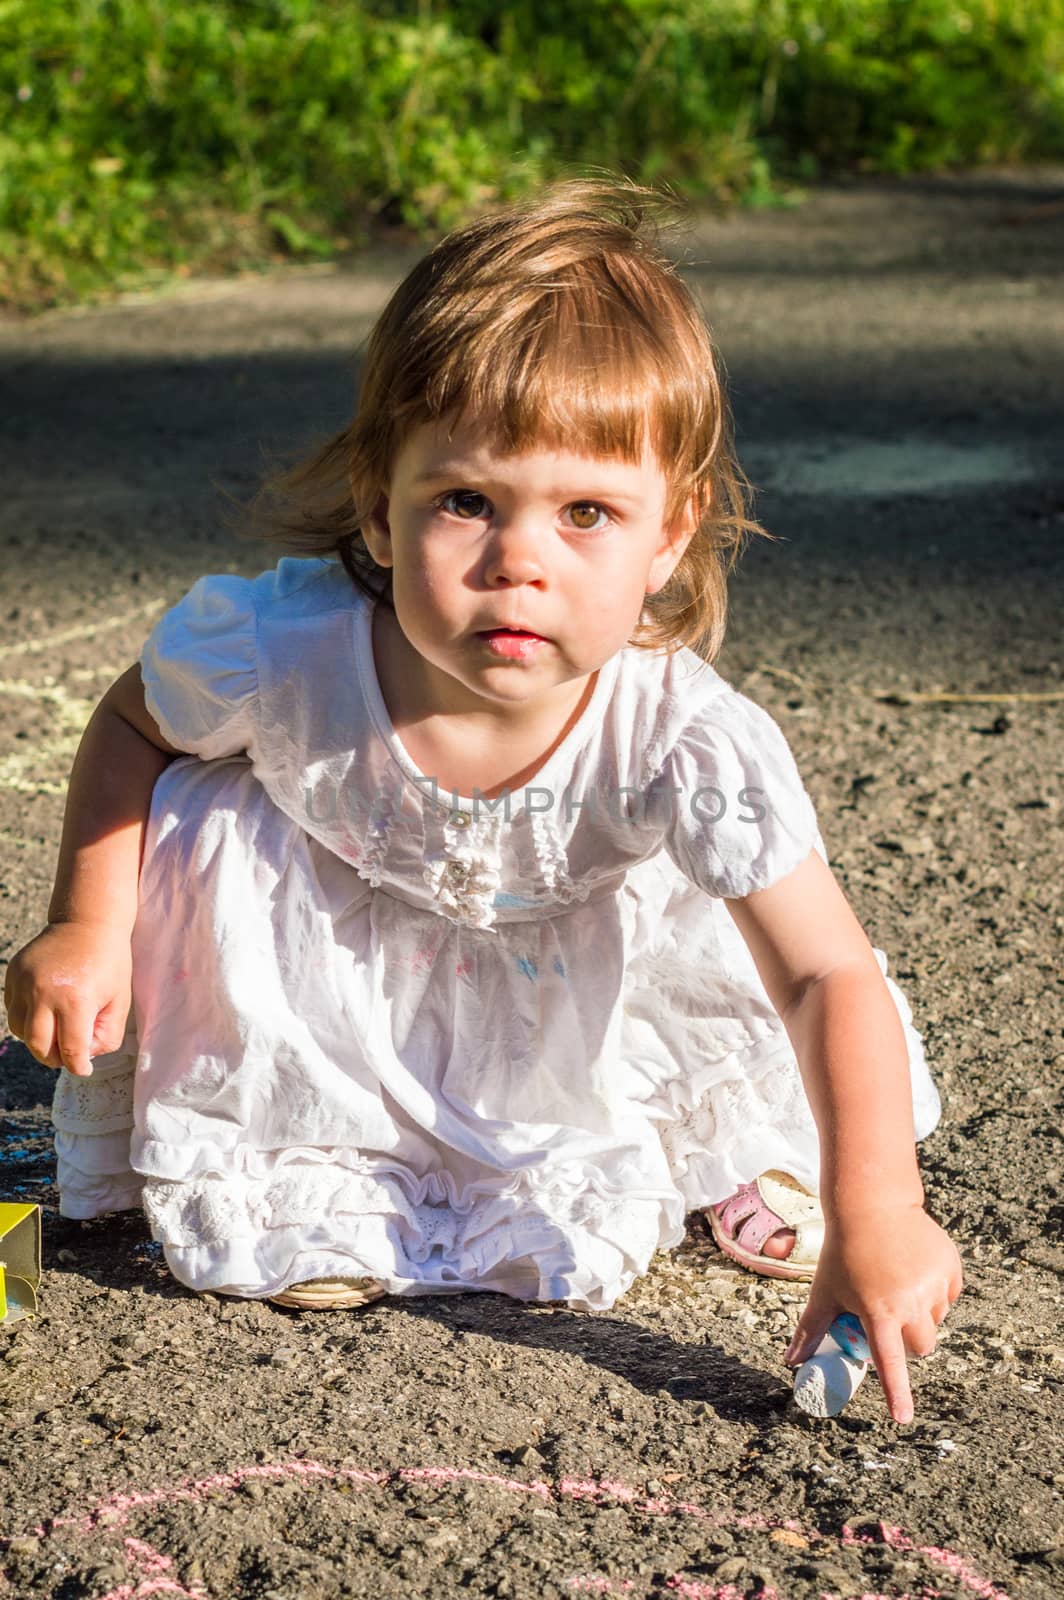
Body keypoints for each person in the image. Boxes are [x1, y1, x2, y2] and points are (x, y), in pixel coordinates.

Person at [3, 180, 961, 1422]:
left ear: (668, 537)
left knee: (729, 974)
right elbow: (135, 719)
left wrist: (883, 1208)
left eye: (585, 514)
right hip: (340, 978)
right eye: (466, 500)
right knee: (202, 816)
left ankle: (727, 1157)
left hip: (579, 992)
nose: (520, 559)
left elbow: (822, 975)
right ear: (378, 509)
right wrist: (86, 918)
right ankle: (320, 1168)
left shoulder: (681, 739)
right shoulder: (280, 652)